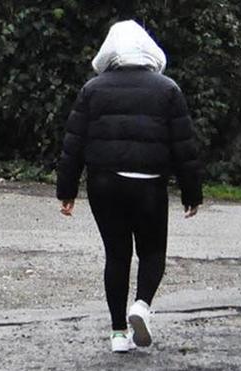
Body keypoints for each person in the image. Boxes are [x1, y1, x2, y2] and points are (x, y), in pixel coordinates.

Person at [56, 20, 203, 353]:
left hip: (103, 182)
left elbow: (73, 143)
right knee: (152, 253)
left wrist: (67, 191)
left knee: (117, 256)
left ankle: (119, 334)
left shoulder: (93, 89)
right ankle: (142, 305)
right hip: (149, 185)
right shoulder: (167, 89)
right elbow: (184, 146)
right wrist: (191, 192)